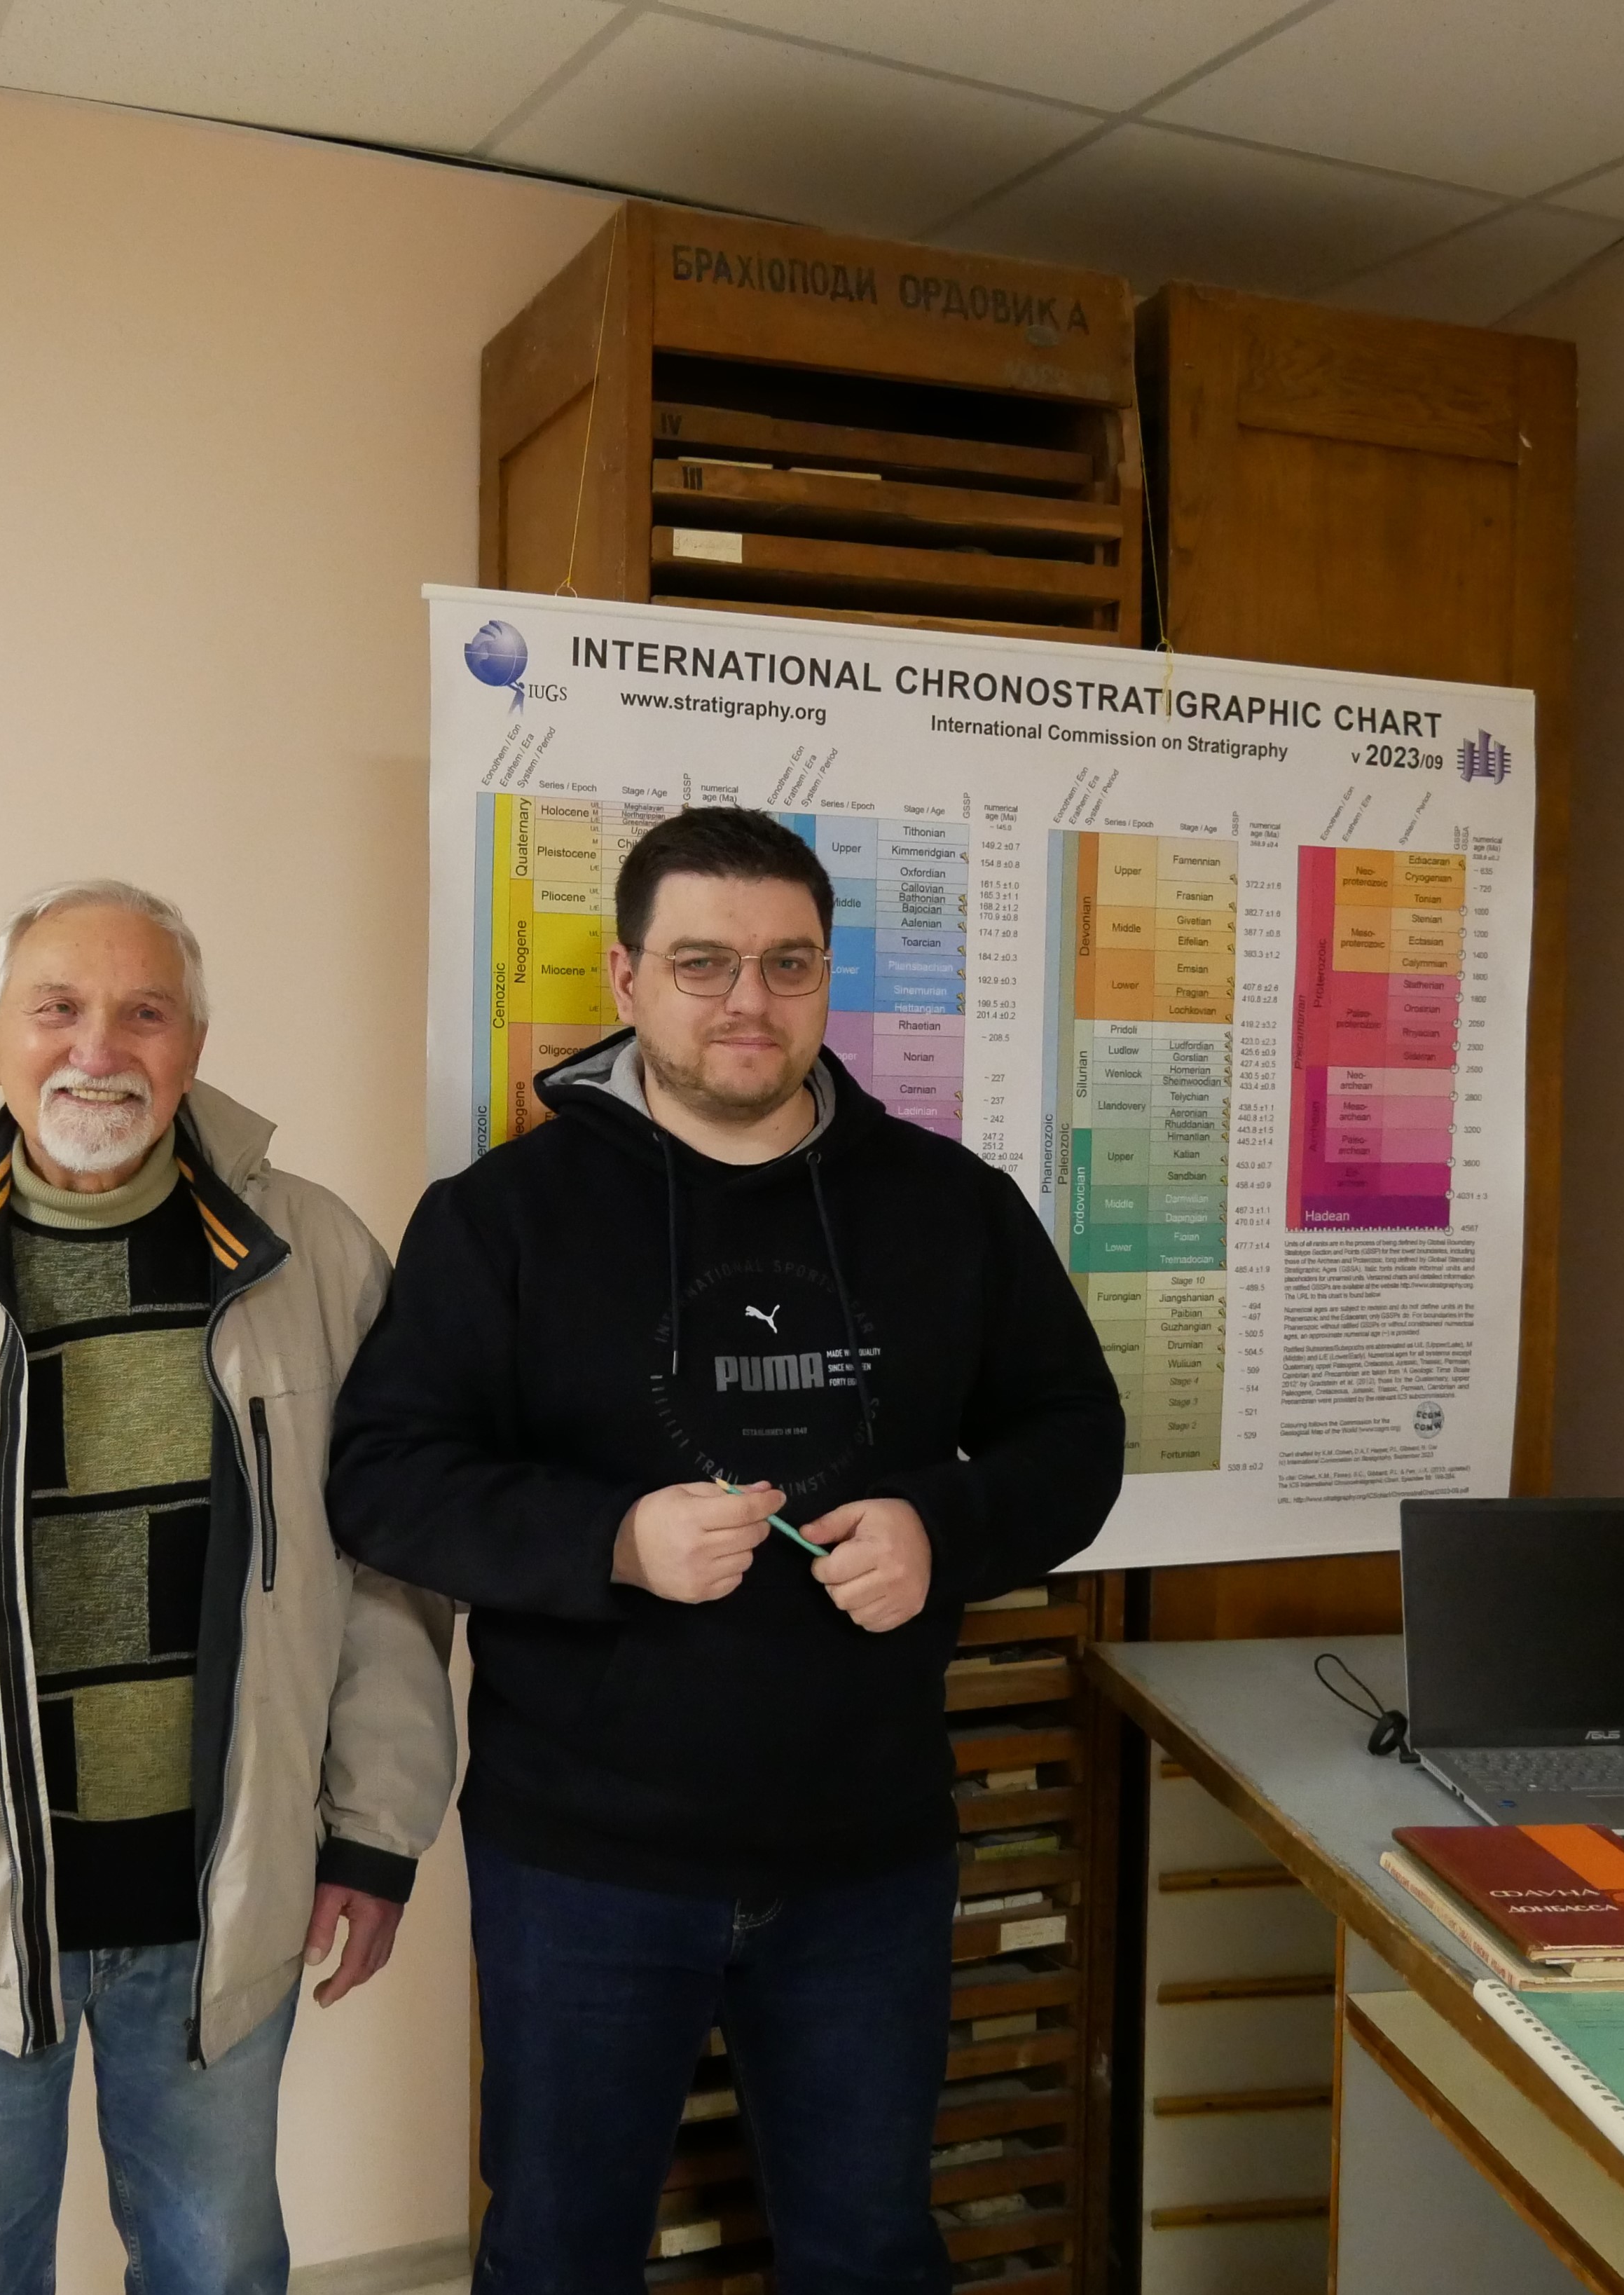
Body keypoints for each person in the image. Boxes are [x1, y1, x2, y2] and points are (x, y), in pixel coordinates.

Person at [327, 808, 1124, 2293]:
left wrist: (943, 1528)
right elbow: (384, 1481)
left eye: (786, 964)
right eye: (703, 963)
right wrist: (611, 1540)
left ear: (825, 979)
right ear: (627, 980)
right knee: (560, 2256)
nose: (747, 1000)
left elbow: (1076, 1437)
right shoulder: (500, 1218)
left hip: (868, 1852)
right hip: (582, 1861)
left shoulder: (953, 1207)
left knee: (869, 2252)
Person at [0, 879, 457, 2295]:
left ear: (195, 1044)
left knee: (220, 2270)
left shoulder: (316, 1259)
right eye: (56, 1009)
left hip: (219, 1907)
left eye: (144, 1013)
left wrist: (374, 1831)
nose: (98, 1049)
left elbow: (388, 1572)